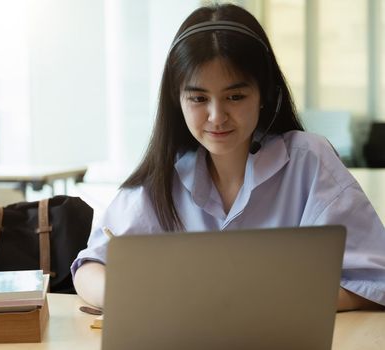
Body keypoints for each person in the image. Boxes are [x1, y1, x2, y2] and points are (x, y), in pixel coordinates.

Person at [72, 3, 385, 310]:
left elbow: (373, 282)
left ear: (265, 94)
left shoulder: (309, 161)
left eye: (235, 96)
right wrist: (131, 297)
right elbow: (89, 267)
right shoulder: (163, 177)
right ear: (176, 100)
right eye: (198, 98)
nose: (217, 117)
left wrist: (268, 303)